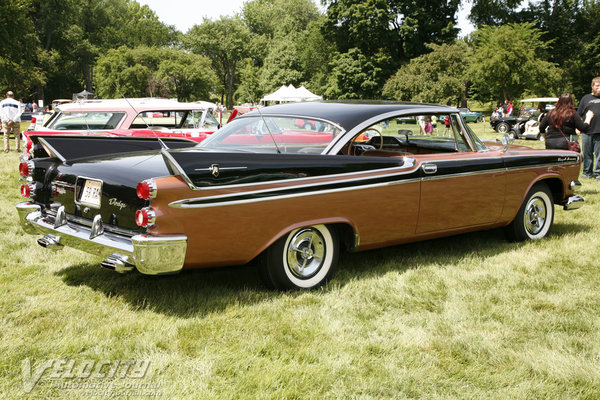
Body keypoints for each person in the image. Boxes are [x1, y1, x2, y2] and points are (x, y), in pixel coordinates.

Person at [578, 77, 600, 179]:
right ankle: (587, 173)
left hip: (599, 131)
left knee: (599, 155)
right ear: (592, 86)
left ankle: (598, 174)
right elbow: (579, 114)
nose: (599, 88)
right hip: (587, 131)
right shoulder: (585, 98)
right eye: (597, 86)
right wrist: (578, 127)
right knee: (587, 154)